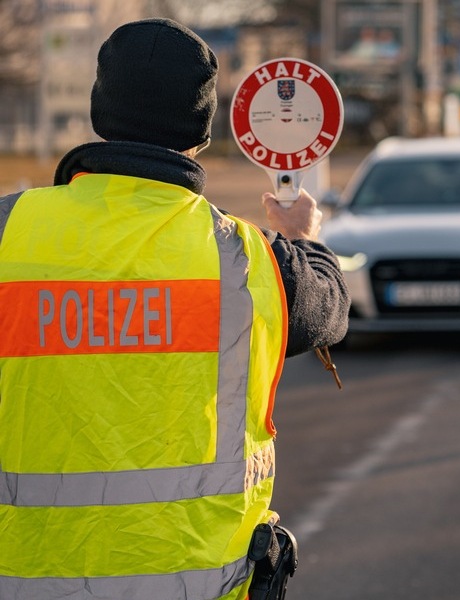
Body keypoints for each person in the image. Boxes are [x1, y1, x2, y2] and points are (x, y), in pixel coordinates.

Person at [0, 18, 349, 600]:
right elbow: (329, 308)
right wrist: (300, 237)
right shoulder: (246, 258)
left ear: (100, 113)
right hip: (200, 585)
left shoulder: (8, 231)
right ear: (200, 131)